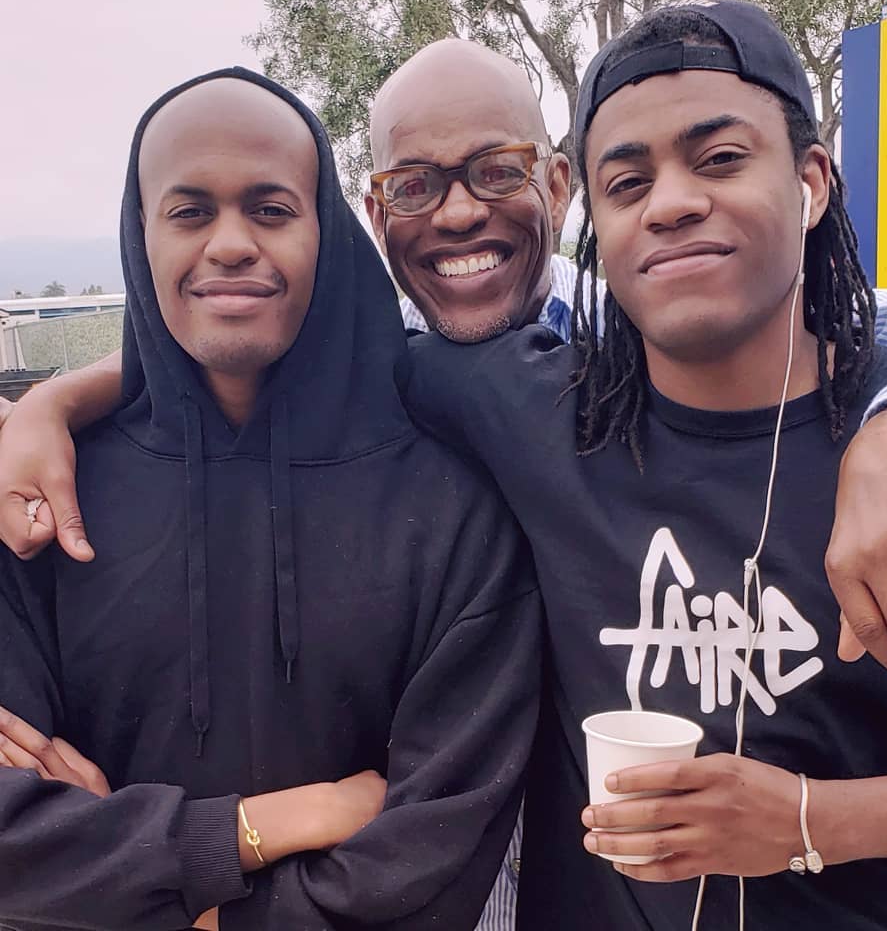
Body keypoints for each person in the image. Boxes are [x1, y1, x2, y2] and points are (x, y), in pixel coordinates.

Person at [0, 39, 887, 926]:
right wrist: (56, 403)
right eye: (416, 185)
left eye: (499, 170)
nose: (670, 207)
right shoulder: (488, 392)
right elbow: (241, 338)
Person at [399, 0, 887, 930]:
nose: (673, 202)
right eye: (628, 183)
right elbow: (291, 357)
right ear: (590, 217)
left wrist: (812, 821)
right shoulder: (533, 410)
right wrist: (121, 392)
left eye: (719, 159)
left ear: (811, 181)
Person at [0, 68, 539, 930]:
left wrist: (164, 899)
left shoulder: (455, 505)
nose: (230, 244)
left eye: (272, 208)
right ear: (141, 238)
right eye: (189, 212)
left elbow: (437, 851)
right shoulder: (43, 505)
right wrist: (241, 833)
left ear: (327, 232)